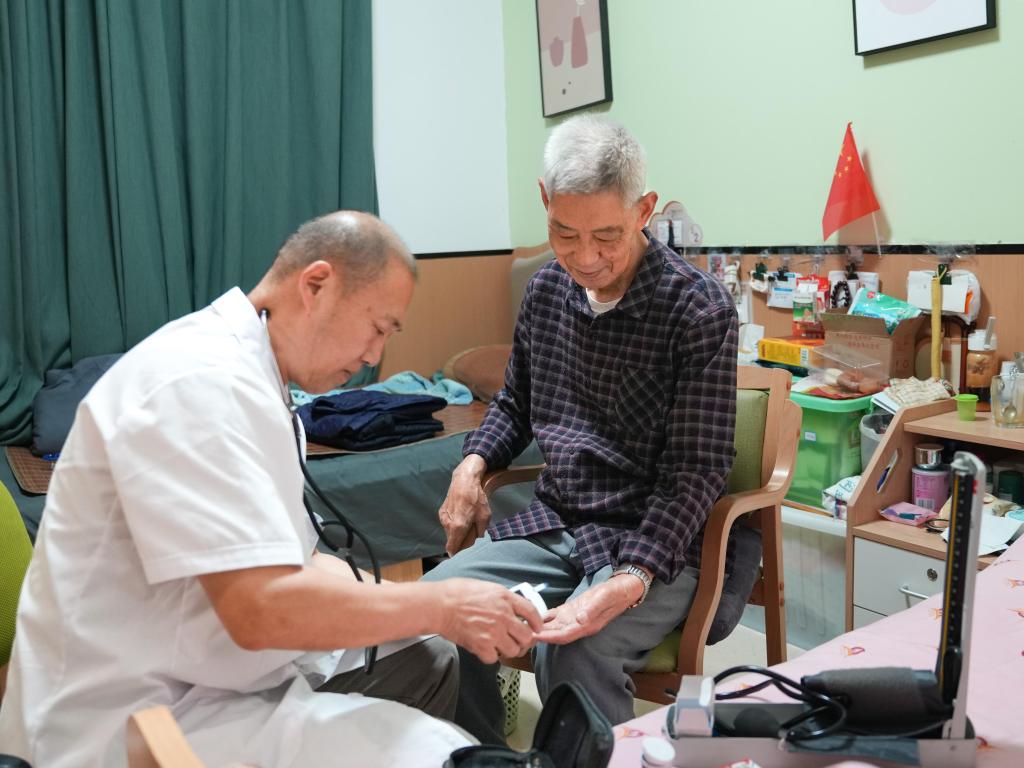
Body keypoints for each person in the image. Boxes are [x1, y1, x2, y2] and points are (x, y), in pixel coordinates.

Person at [0, 212, 543, 768]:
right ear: (316, 285)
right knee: (429, 746)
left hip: (206, 664)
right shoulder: (198, 384)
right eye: (378, 328)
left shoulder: (262, 380)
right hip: (131, 713)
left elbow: (302, 558)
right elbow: (258, 609)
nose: (374, 356)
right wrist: (439, 604)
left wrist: (434, 607)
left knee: (428, 656)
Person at [423, 116, 738, 743]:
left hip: (657, 539)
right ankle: (481, 756)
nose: (586, 258)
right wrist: (472, 466)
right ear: (545, 199)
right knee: (438, 609)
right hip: (559, 523)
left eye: (607, 236)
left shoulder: (697, 308)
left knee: (572, 651)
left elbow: (695, 473)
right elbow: (515, 403)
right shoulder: (546, 291)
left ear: (644, 210)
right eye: (564, 233)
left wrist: (628, 580)